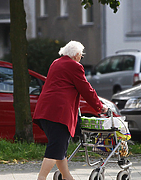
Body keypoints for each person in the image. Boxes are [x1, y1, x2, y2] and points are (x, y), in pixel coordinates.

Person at [33, 41, 107, 180]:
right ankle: (41, 178)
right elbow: (86, 89)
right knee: (55, 148)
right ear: (77, 54)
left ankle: (68, 178)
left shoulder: (56, 63)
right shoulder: (74, 66)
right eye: (81, 56)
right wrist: (100, 106)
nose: (81, 58)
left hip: (45, 110)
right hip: (59, 114)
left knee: (59, 148)